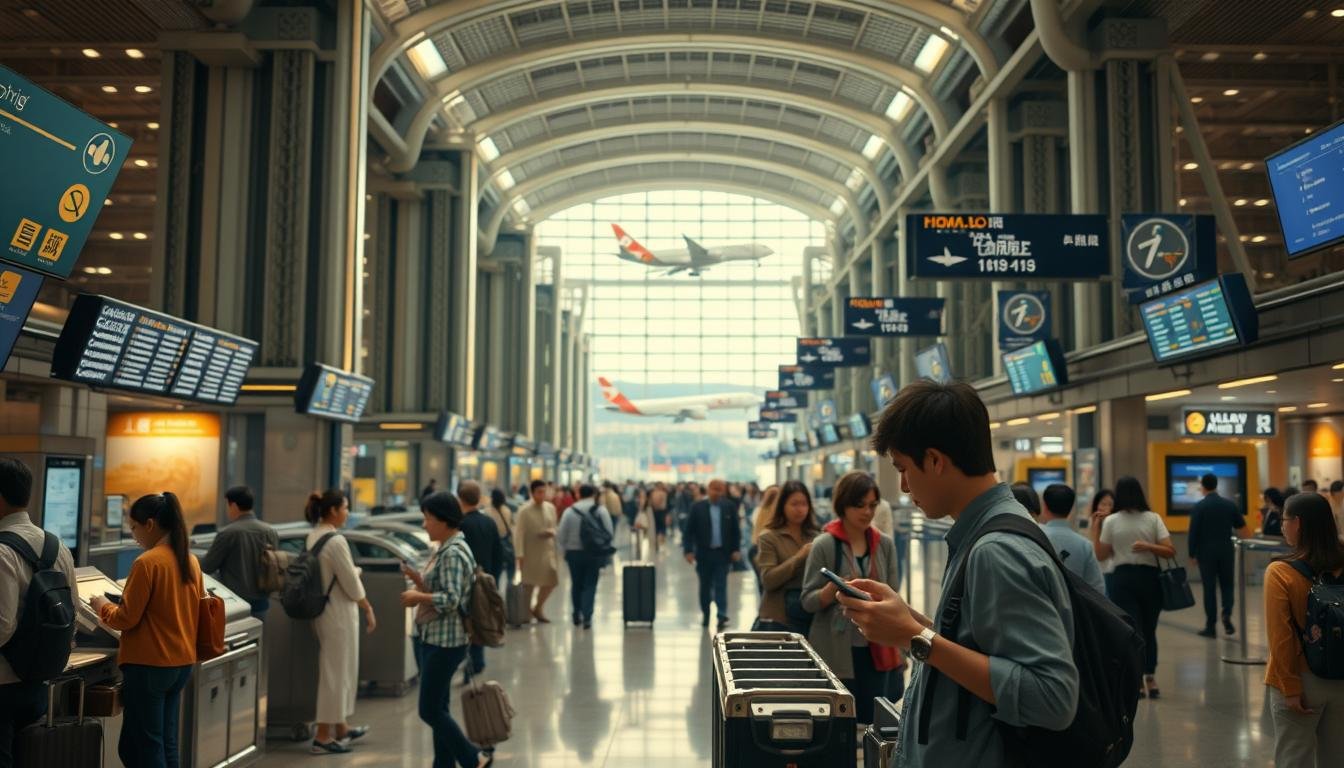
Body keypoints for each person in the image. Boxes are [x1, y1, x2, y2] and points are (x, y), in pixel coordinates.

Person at [834, 381, 1078, 767]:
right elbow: (984, 648)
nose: (902, 485)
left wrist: (915, 637)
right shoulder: (982, 532)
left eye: (903, 468)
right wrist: (911, 621)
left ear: (934, 460)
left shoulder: (997, 550)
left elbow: (1051, 696)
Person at [90, 493, 202, 768]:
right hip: (181, 662)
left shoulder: (147, 563)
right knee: (164, 742)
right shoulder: (190, 560)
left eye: (134, 527)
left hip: (149, 665)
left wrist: (102, 605)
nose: (133, 535)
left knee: (146, 747)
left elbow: (126, 618)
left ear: (149, 524)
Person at [801, 472, 905, 719]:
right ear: (843, 505)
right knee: (841, 716)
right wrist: (830, 591)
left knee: (874, 714)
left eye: (872, 505)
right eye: (859, 505)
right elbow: (808, 600)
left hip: (876, 643)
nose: (867, 512)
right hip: (836, 645)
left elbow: (893, 592)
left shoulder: (885, 544)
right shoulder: (825, 544)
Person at [400, 492, 492, 768]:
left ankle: (472, 756)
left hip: (445, 641)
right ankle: (443, 763)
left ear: (444, 521)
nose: (425, 524)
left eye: (428, 519)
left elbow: (451, 599)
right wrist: (420, 580)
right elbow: (446, 590)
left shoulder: (452, 552)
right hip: (435, 637)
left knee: (428, 710)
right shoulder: (447, 547)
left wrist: (418, 597)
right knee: (439, 707)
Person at [0, 458, 77, 768]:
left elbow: (2, 627)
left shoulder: (2, 552)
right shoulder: (58, 547)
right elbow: (72, 612)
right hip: (39, 681)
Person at [1264, 492, 1344, 766]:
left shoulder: (1280, 572)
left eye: (1284, 520)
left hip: (1301, 680)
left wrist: (1289, 687)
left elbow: (1281, 636)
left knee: (1294, 758)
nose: (1282, 525)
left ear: (1297, 523)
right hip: (1341, 676)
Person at [300, 490, 376, 754]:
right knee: (335, 674)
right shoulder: (336, 541)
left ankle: (341, 728)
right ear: (332, 510)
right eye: (345, 507)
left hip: (324, 611)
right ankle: (322, 736)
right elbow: (351, 583)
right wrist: (367, 607)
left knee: (337, 670)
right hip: (338, 614)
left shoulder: (314, 535)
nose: (347, 512)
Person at [1091, 476, 1174, 699]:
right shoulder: (1153, 519)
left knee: (1131, 630)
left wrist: (1096, 529)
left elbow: (1101, 555)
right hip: (1150, 578)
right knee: (1149, 629)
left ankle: (1137, 680)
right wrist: (1150, 546)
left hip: (1121, 579)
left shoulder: (1112, 521)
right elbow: (1169, 550)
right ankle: (1150, 677)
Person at [200, 486, 280, 618]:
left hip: (235, 604)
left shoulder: (228, 533)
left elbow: (208, 566)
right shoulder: (270, 531)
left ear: (234, 505)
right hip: (262, 603)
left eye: (228, 505)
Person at [1188, 473, 1252, 637]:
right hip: (1226, 552)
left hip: (1205, 553)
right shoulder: (1229, 505)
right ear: (1216, 485)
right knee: (1227, 585)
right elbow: (1243, 530)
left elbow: (1193, 532)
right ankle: (1227, 614)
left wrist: (1192, 554)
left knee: (1209, 589)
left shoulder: (1199, 507)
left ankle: (1210, 626)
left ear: (1203, 486)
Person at [754, 482, 817, 634]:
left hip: (812, 614)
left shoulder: (816, 536)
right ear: (782, 506)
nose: (800, 509)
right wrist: (799, 557)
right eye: (794, 504)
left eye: (804, 504)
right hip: (781, 617)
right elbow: (768, 580)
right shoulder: (769, 537)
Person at [457, 481, 503, 678]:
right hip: (486, 579)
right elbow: (498, 554)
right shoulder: (489, 522)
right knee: (480, 616)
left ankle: (471, 662)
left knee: (466, 620)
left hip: (466, 581)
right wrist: (493, 579)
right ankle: (478, 659)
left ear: (460, 499)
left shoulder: (461, 525)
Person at [683, 479, 742, 629]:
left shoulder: (729, 507)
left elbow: (736, 531)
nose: (717, 492)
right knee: (705, 586)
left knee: (721, 585)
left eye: (720, 489)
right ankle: (706, 614)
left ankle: (721, 614)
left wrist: (736, 549)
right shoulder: (697, 507)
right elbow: (688, 531)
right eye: (714, 489)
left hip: (722, 554)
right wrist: (688, 551)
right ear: (708, 489)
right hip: (703, 554)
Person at [557, 485, 612, 629]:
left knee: (576, 583)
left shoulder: (569, 511)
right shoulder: (600, 510)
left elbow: (561, 535)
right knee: (590, 584)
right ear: (593, 494)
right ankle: (587, 616)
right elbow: (609, 532)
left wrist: (564, 550)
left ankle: (576, 613)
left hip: (573, 553)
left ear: (578, 494)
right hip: (593, 553)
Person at [1037, 484, 1106, 595]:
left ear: (1044, 507)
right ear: (1071, 509)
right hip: (1076, 609)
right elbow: (1097, 587)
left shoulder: (1036, 536)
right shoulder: (1085, 545)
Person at [514, 480, 559, 623]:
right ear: (532, 493)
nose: (542, 495)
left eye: (544, 492)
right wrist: (520, 555)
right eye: (539, 492)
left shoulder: (550, 508)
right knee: (529, 585)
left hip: (547, 550)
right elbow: (518, 534)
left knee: (551, 580)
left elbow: (554, 527)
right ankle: (526, 613)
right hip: (530, 552)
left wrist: (551, 532)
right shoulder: (524, 510)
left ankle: (538, 607)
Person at [485, 489, 516, 588]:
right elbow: (511, 528)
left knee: (496, 572)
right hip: (507, 544)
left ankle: (496, 591)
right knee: (510, 568)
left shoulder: (487, 512)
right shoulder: (507, 510)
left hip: (493, 546)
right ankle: (509, 586)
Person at [1090, 489, 1117, 598]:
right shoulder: (1092, 521)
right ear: (1097, 506)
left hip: (1111, 572)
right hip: (1096, 572)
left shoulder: (1115, 523)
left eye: (1110, 505)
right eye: (1103, 504)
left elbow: (1103, 554)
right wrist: (1096, 526)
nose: (1106, 508)